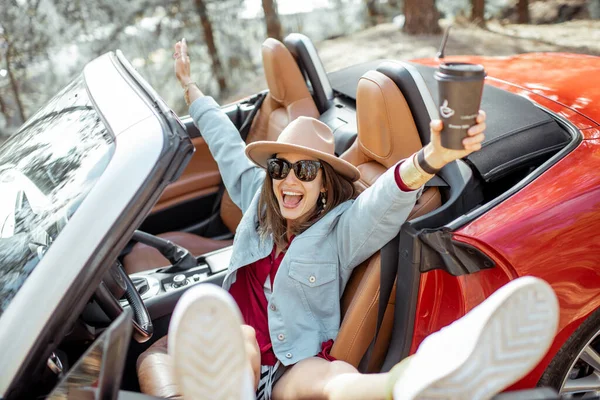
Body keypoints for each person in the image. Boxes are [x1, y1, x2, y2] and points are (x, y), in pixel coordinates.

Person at [163, 38, 557, 400]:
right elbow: (225, 143)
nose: (288, 180)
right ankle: (229, 388)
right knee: (233, 340)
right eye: (281, 167)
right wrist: (189, 88)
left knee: (331, 380)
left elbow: (385, 199)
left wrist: (432, 158)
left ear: (324, 185)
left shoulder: (338, 230)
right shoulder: (258, 197)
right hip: (236, 352)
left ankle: (420, 378)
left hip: (290, 364)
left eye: (305, 172)